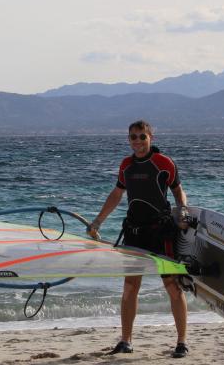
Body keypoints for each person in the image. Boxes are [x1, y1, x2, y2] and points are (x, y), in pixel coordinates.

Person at [87, 119, 189, 358]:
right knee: (130, 287)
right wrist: (97, 222)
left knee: (173, 287)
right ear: (128, 140)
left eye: (142, 136)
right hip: (134, 233)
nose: (138, 142)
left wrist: (182, 210)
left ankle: (182, 342)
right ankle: (126, 341)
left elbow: (177, 190)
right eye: (133, 137)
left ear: (150, 137)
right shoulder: (126, 165)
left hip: (161, 233)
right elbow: (116, 194)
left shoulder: (164, 163)